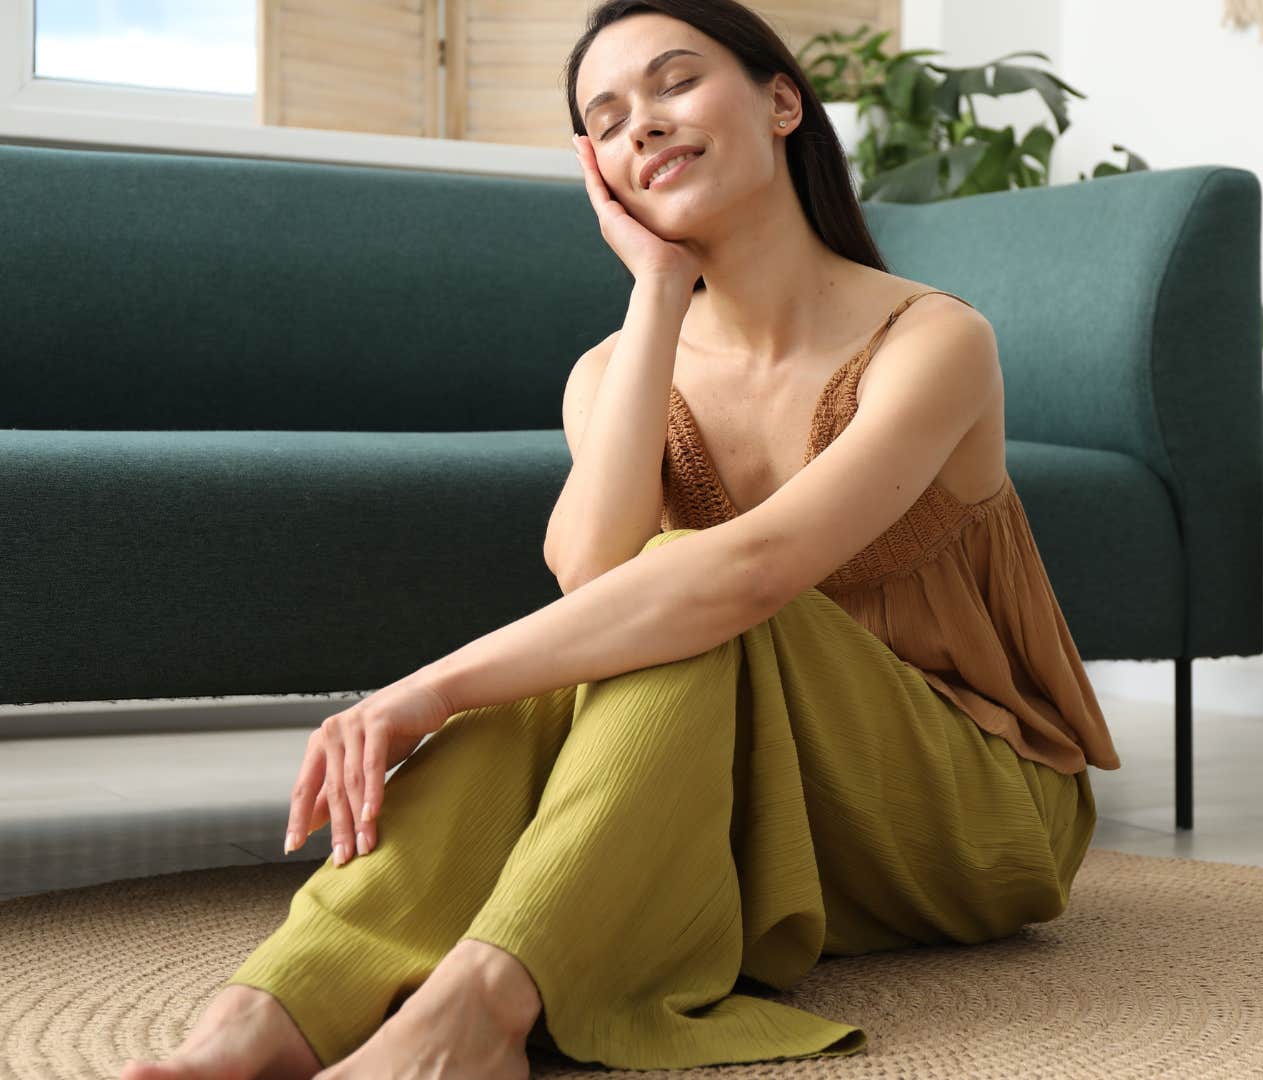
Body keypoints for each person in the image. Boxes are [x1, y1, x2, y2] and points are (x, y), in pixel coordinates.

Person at [122, 2, 1120, 1077]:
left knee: (686, 590)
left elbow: (740, 578)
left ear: (782, 100)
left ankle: (479, 1006)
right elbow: (590, 581)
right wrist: (657, 291)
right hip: (752, 810)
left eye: (674, 82)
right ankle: (279, 1006)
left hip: (969, 812)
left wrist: (431, 686)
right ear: (595, 168)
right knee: (637, 608)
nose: (641, 124)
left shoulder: (933, 341)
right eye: (606, 117)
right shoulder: (611, 373)